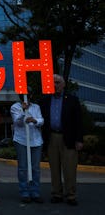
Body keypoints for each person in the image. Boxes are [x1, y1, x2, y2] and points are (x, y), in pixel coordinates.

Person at [40, 74, 83, 206]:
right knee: (54, 168)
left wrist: (79, 140)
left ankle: (71, 195)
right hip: (52, 137)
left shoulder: (72, 100)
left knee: (69, 168)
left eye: (58, 82)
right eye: (53, 83)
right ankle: (56, 194)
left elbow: (79, 121)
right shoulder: (45, 100)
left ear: (63, 84)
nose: (55, 85)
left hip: (68, 138)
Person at [10, 91, 44, 203]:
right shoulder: (15, 107)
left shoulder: (36, 107)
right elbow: (17, 122)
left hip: (36, 140)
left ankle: (35, 192)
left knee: (36, 168)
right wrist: (24, 112)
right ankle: (24, 192)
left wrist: (34, 120)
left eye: (29, 94)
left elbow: (41, 120)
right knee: (23, 168)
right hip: (21, 140)